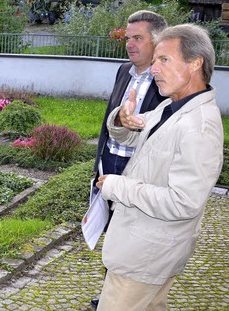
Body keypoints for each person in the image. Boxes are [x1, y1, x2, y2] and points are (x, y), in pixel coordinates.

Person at [95, 24, 223, 310]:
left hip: (145, 255)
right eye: (154, 62)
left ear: (195, 63)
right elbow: (136, 133)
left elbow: (183, 202)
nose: (153, 70)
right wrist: (121, 120)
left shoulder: (199, 127)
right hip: (149, 249)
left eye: (163, 60)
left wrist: (118, 186)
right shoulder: (172, 107)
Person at [91, 10, 167, 308]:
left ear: (158, 41)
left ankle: (131, 298)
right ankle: (110, 293)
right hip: (110, 163)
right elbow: (107, 122)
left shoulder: (167, 80)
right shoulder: (124, 71)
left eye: (138, 38)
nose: (130, 44)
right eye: (127, 38)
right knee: (111, 232)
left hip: (140, 172)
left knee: (133, 238)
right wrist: (99, 161)